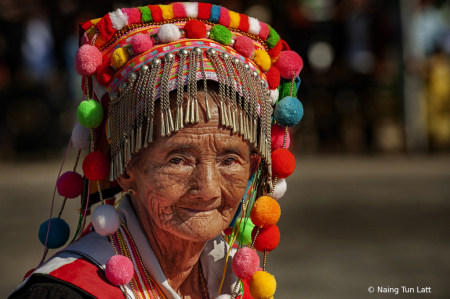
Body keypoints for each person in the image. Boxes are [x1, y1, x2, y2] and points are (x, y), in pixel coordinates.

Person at [9, 2, 304, 299]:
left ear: (254, 166)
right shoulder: (64, 293)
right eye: (178, 160)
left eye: (230, 159)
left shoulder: (236, 281)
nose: (208, 189)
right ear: (124, 168)